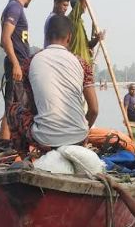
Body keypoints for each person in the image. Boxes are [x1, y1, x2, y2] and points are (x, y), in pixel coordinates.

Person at [6, 14, 98, 152]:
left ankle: (23, 157)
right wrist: (81, 132)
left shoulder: (30, 62)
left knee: (13, 110)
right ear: (69, 37)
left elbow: (32, 105)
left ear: (46, 36)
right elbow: (94, 110)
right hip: (79, 139)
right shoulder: (82, 64)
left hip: (44, 139)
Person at [0, 0, 36, 140]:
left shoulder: (14, 8)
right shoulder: (15, 8)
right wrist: (15, 64)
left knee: (16, 105)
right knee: (13, 107)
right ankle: (6, 144)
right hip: (17, 65)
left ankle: (10, 142)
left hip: (21, 64)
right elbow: (5, 39)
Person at [68, 0, 103, 66]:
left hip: (86, 65)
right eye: (84, 3)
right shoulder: (72, 18)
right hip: (77, 65)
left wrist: (97, 39)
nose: (86, 6)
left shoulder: (79, 21)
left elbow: (87, 45)